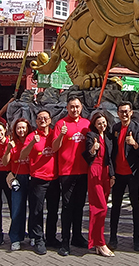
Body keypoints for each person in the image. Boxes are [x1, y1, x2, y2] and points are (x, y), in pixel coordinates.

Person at [52, 96, 90, 256]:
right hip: (67, 172)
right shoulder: (61, 124)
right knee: (67, 207)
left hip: (83, 171)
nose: (74, 109)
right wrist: (61, 135)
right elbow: (54, 147)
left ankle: (77, 236)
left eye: (77, 107)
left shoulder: (86, 124)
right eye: (71, 107)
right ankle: (65, 241)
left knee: (80, 206)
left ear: (81, 108)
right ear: (67, 108)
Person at [21, 110, 60, 255]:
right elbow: (23, 154)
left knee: (53, 211)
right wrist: (32, 142)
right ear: (36, 122)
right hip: (38, 179)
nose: (42, 120)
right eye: (39, 119)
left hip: (54, 179)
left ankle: (51, 237)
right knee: (36, 211)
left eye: (45, 118)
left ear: (50, 120)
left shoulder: (54, 134)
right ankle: (38, 239)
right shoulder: (32, 136)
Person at [109, 100, 139, 251]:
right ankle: (112, 237)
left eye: (126, 111)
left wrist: (134, 144)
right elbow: (111, 152)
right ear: (117, 113)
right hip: (118, 173)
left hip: (132, 173)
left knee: (135, 205)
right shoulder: (115, 128)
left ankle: (136, 238)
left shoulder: (137, 128)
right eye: (121, 111)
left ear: (131, 112)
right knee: (115, 206)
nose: (124, 114)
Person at [82, 110, 115, 257]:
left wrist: (112, 174)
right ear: (94, 124)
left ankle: (97, 242)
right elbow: (88, 154)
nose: (102, 125)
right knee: (99, 207)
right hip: (95, 170)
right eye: (99, 123)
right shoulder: (91, 136)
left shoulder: (107, 136)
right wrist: (93, 150)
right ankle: (100, 242)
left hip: (106, 172)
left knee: (102, 208)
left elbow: (110, 157)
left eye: (103, 122)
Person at [2, 118, 32, 251]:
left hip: (32, 177)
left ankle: (33, 235)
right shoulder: (12, 143)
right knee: (17, 209)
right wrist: (8, 149)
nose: (21, 130)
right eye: (19, 128)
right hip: (18, 178)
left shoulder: (32, 141)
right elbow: (4, 162)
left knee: (34, 208)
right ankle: (15, 237)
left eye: (24, 127)